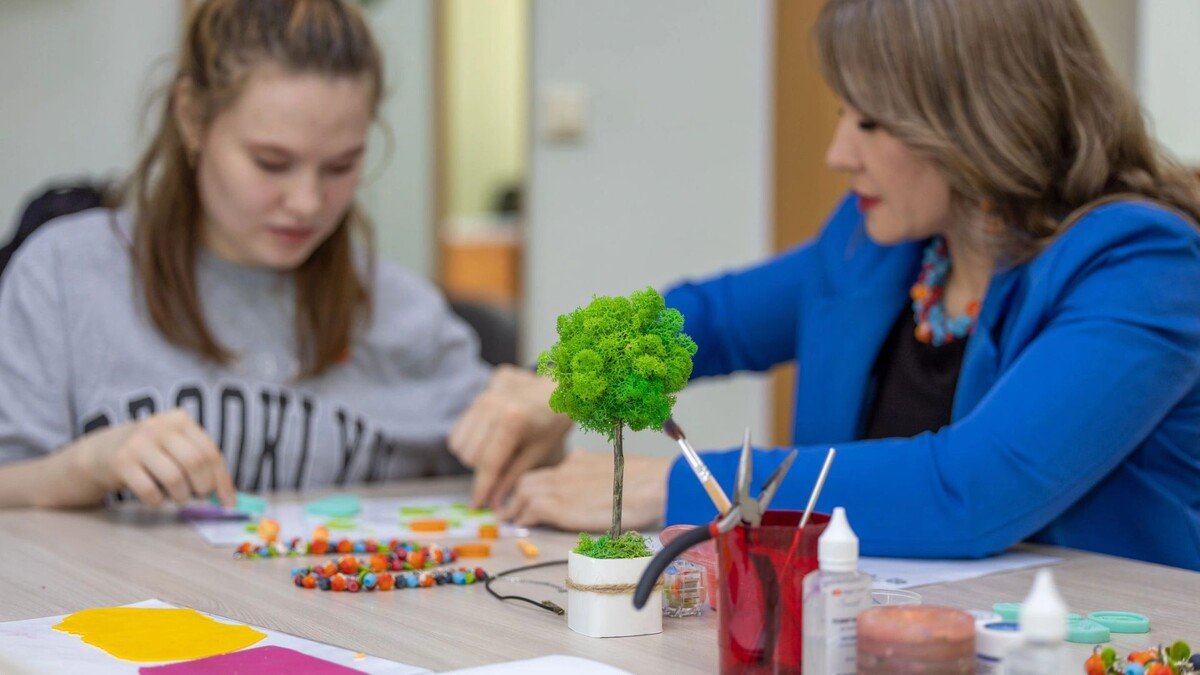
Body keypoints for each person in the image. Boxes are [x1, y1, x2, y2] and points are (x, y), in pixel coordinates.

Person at [449, 0, 1200, 570]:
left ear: (981, 118)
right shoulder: (878, 239)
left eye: (871, 121)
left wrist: (680, 488)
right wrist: (560, 384)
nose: (840, 150)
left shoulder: (1143, 264)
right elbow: (713, 318)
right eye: (842, 111)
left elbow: (971, 490)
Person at [0, 0, 489, 509]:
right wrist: (83, 466)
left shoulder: (403, 310)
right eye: (271, 163)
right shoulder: (63, 273)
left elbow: (516, 453)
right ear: (191, 117)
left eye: (341, 166)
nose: (307, 203)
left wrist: (536, 414)